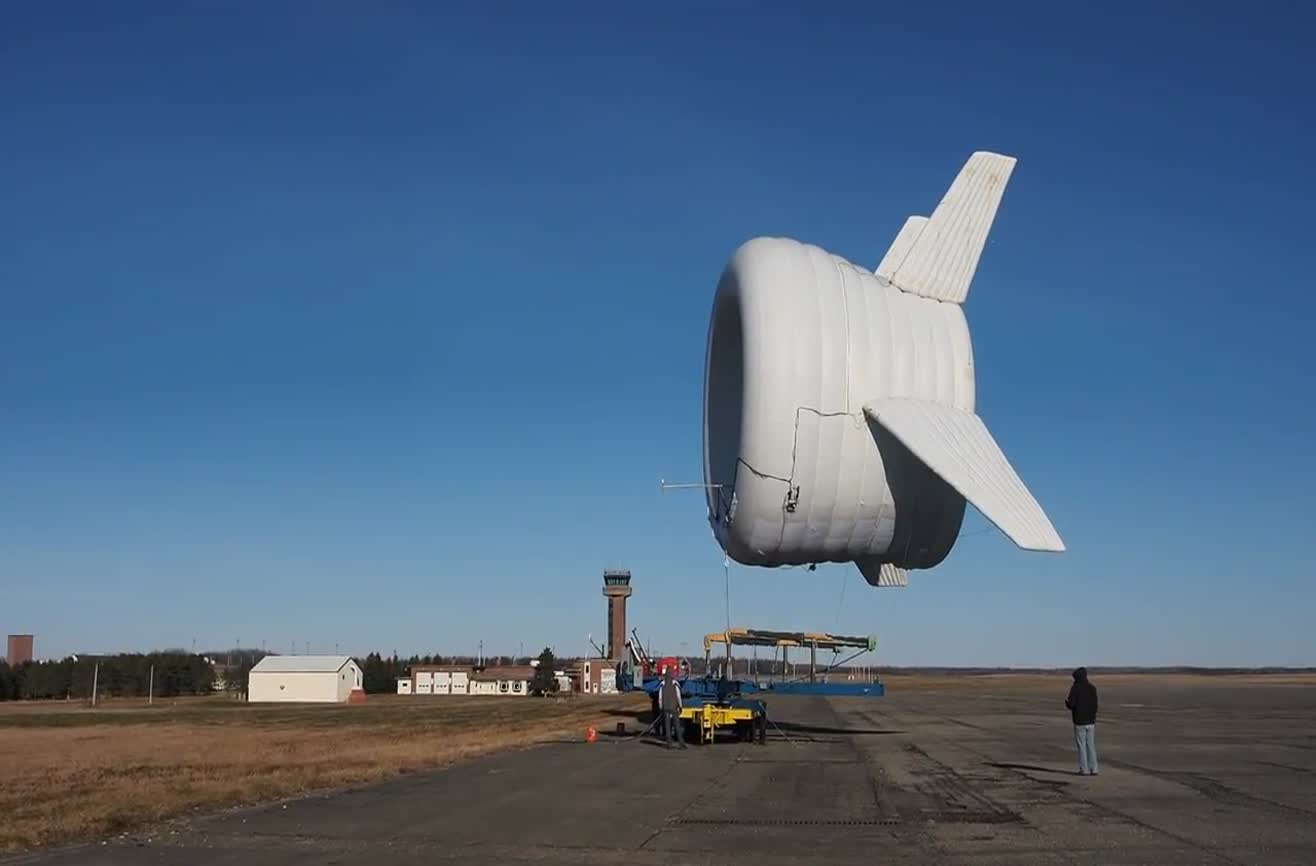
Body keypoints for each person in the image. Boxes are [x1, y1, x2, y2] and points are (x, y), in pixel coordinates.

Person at [1065, 666, 1099, 776]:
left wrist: (1067, 703)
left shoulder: (1075, 688)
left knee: (1082, 746)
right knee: (1091, 746)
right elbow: (1095, 705)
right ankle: (1094, 769)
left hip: (1079, 722)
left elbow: (1071, 704)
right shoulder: (1092, 688)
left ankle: (1084, 769)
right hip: (1091, 722)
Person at [658, 668, 687, 749]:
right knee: (677, 725)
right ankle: (681, 744)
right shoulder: (675, 684)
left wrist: (661, 708)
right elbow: (678, 697)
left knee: (667, 726)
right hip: (674, 707)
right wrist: (680, 706)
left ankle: (669, 744)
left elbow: (660, 698)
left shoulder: (662, 685)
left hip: (666, 708)